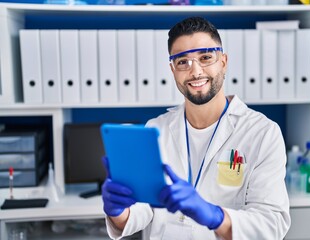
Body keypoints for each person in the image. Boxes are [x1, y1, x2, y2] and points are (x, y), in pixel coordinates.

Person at [102, 16, 291, 239]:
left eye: (205, 57)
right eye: (183, 62)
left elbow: (272, 224)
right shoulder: (156, 129)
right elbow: (143, 209)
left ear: (223, 61)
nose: (195, 71)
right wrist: (118, 211)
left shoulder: (262, 133)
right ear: (173, 70)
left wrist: (214, 216)